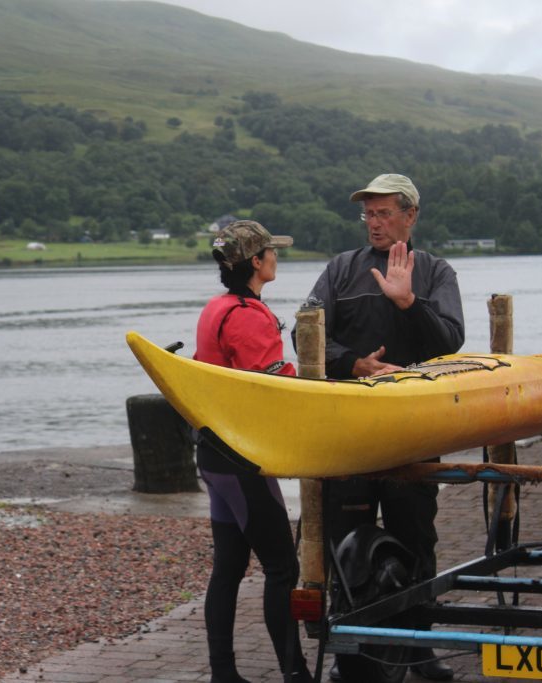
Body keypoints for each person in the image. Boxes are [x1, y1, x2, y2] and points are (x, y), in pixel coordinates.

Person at [305, 174, 464, 682]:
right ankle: (350, 653)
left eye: (383, 213)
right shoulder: (340, 270)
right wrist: (353, 364)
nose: (374, 223)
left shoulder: (436, 272)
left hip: (416, 433)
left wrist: (407, 302)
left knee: (416, 539)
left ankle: (420, 651)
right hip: (349, 434)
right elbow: (305, 334)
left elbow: (451, 342)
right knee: (345, 542)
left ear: (410, 215)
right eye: (368, 215)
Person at [194, 220, 313, 683]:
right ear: (256, 263)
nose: (275, 259)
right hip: (242, 460)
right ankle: (295, 674)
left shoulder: (216, 306)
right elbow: (271, 384)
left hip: (214, 457)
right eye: (271, 253)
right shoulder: (246, 314)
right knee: (283, 567)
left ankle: (224, 673)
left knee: (228, 567)